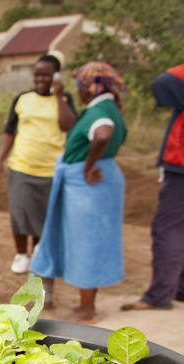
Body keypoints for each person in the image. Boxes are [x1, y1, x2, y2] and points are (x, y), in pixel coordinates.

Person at [29, 62, 128, 323]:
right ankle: (86, 303)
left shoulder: (101, 112)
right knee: (89, 242)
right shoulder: (106, 107)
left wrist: (88, 166)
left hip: (89, 186)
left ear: (93, 88)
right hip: (94, 184)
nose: (80, 92)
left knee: (87, 245)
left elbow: (103, 135)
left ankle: (87, 309)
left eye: (82, 87)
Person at [0, 54, 77, 279]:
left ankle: (38, 251)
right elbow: (9, 132)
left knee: (43, 215)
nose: (40, 79)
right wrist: (0, 160)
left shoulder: (65, 99)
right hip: (22, 166)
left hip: (51, 169)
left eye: (46, 75)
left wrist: (58, 96)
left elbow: (68, 125)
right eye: (37, 74)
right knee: (20, 212)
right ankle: (21, 254)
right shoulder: (22, 98)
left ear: (56, 76)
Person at [120, 64, 184, 312]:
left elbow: (164, 81)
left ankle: (159, 295)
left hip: (181, 170)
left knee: (167, 230)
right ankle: (178, 288)